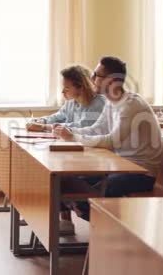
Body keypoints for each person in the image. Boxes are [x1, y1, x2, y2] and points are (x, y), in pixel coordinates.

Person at [54, 56, 163, 221]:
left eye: (97, 75)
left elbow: (112, 141)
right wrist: (68, 132)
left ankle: (111, 235)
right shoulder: (111, 102)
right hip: (120, 165)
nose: (92, 79)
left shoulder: (131, 105)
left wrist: (73, 136)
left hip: (141, 172)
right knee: (67, 179)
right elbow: (96, 128)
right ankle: (84, 213)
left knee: (91, 199)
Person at [27, 65, 106, 235]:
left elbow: (83, 126)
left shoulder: (98, 102)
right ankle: (65, 219)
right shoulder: (71, 102)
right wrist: (40, 121)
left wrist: (46, 128)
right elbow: (57, 117)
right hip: (73, 153)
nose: (63, 92)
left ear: (80, 86)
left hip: (92, 157)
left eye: (67, 88)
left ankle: (79, 212)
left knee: (57, 177)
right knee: (50, 172)